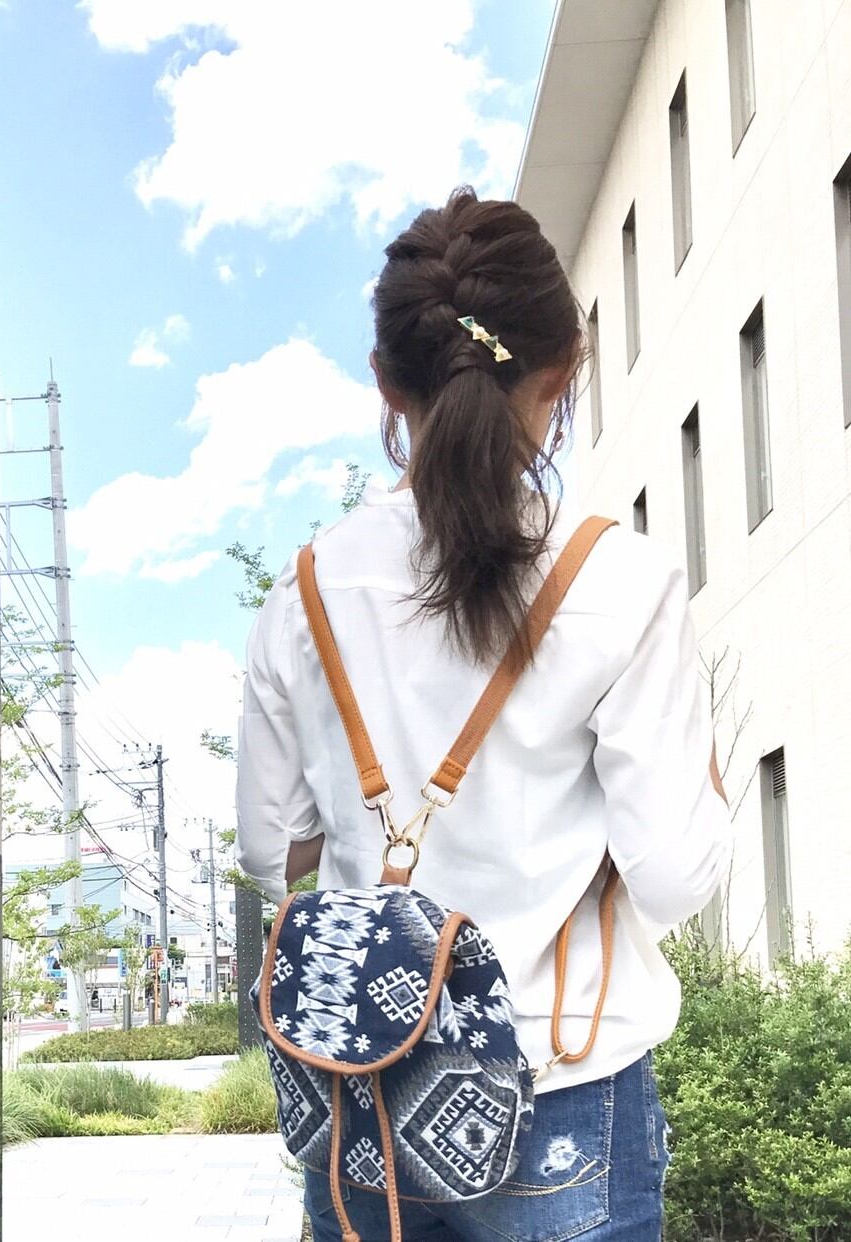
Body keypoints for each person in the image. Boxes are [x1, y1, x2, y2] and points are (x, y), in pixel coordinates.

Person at [235, 187, 731, 1241]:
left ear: (386, 381)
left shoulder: (307, 592)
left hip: (365, 1088)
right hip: (565, 1088)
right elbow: (675, 881)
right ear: (563, 373)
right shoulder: (622, 582)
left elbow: (271, 852)